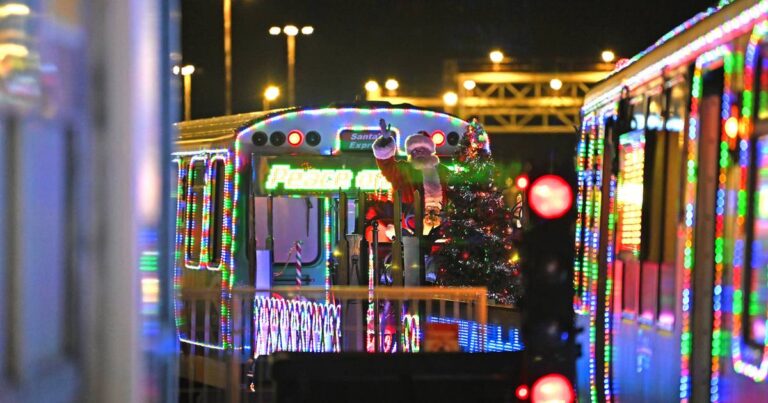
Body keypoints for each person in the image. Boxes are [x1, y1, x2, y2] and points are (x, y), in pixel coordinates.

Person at [371, 118, 450, 235]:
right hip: (409, 228)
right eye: (414, 150)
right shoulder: (404, 170)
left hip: (440, 230)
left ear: (430, 152)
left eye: (422, 149)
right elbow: (386, 165)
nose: (418, 153)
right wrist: (385, 142)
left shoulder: (443, 171)